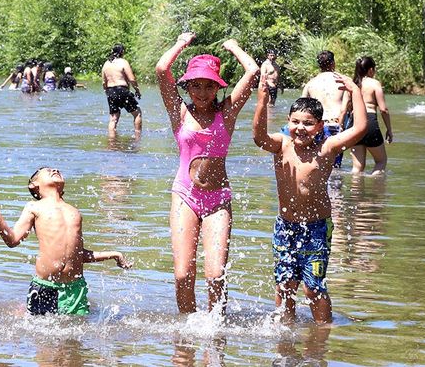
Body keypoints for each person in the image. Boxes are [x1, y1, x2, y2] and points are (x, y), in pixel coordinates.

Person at [155, 33, 259, 315]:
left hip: (218, 200)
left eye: (209, 86)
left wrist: (235, 47)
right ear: (187, 87)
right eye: (196, 86)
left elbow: (253, 71)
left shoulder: (227, 113)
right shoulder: (178, 111)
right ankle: (187, 328)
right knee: (182, 275)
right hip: (185, 196)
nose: (202, 92)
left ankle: (216, 328)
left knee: (215, 276)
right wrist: (180, 43)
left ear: (217, 87)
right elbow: (162, 69)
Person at [252, 74, 367, 324]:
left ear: (319, 126)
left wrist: (355, 91)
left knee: (312, 288)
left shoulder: (327, 148)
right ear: (288, 122)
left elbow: (360, 129)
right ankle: (286, 331)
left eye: (308, 123)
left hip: (316, 227)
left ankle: (322, 333)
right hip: (285, 226)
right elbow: (259, 138)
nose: (300, 128)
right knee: (285, 284)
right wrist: (261, 100)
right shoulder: (282, 145)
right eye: (295, 122)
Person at [0, 167, 132, 316]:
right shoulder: (34, 207)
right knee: (41, 339)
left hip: (75, 289)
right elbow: (12, 240)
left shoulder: (74, 212)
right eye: (47, 171)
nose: (55, 170)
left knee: (75, 339)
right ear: (34, 185)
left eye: (57, 170)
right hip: (46, 286)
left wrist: (114, 254)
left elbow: (77, 255)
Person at [302, 51, 351, 168]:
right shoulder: (343, 81)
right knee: (335, 167)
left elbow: (301, 107)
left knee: (318, 164)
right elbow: (344, 108)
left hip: (317, 126)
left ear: (319, 65)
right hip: (335, 124)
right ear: (333, 63)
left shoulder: (310, 83)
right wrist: (341, 125)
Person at [350, 57, 392, 175]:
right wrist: (389, 130)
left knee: (357, 167)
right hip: (369, 122)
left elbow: (345, 108)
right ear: (370, 70)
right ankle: (376, 192)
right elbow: (383, 109)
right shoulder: (374, 83)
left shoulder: (354, 84)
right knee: (381, 161)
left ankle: (355, 193)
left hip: (355, 122)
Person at [102, 44, 142, 137]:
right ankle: (138, 137)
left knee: (113, 118)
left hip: (110, 91)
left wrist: (108, 93)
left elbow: (104, 82)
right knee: (137, 113)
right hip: (122, 90)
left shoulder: (106, 64)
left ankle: (112, 141)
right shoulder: (123, 62)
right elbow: (132, 79)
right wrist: (137, 90)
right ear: (122, 52)